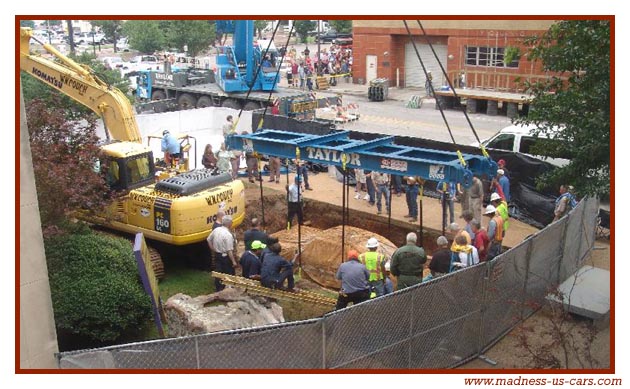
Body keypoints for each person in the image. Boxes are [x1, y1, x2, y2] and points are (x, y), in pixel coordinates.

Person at [207, 215, 237, 292]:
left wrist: (213, 249)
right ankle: (229, 290)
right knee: (229, 273)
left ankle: (218, 289)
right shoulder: (228, 235)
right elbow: (229, 250)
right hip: (225, 257)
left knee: (218, 273)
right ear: (230, 223)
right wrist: (233, 261)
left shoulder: (216, 230)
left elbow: (208, 239)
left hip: (217, 255)